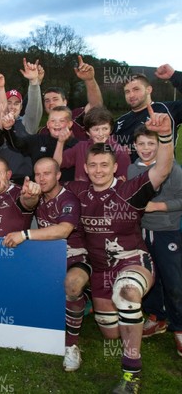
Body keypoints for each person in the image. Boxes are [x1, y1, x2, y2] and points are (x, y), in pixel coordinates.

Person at [65, 105, 174, 392]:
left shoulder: (129, 189)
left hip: (132, 261)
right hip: (100, 272)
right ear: (86, 169)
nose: (98, 170)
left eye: (105, 165)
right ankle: (130, 324)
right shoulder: (78, 191)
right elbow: (47, 185)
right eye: (93, 166)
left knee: (126, 295)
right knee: (111, 333)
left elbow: (162, 170)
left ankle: (130, 375)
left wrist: (165, 137)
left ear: (115, 167)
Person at [3, 157, 89, 372]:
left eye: (47, 174)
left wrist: (25, 234)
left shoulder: (68, 198)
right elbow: (27, 204)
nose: (41, 179)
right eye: (38, 174)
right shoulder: (37, 195)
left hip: (74, 255)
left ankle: (71, 345)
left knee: (72, 284)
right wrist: (28, 198)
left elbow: (63, 230)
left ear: (58, 175)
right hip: (46, 257)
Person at [127, 126, 182, 357]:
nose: (146, 149)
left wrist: (158, 206)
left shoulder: (173, 168)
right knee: (151, 277)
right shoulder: (132, 168)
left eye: (151, 144)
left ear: (160, 146)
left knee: (173, 280)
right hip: (142, 232)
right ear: (134, 146)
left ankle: (179, 328)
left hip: (167, 231)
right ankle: (156, 317)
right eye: (142, 144)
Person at [115, 65, 182, 161]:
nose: (131, 95)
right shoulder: (119, 122)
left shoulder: (167, 109)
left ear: (148, 90)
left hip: (162, 173)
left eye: (136, 89)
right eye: (127, 92)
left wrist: (175, 76)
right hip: (130, 174)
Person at [0, 105, 79, 182]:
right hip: (38, 191)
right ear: (48, 124)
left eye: (62, 121)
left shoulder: (77, 146)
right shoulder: (37, 140)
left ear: (70, 124)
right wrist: (8, 129)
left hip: (66, 191)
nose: (56, 124)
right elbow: (17, 144)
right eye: (53, 121)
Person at [54, 106, 130, 182]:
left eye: (105, 129)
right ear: (87, 132)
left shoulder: (120, 152)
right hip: (80, 192)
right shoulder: (80, 147)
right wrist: (60, 142)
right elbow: (57, 164)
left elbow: (123, 183)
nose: (101, 134)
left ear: (110, 130)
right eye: (96, 129)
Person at [39, 55, 103, 140]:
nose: (51, 103)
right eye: (47, 100)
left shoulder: (77, 116)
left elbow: (96, 106)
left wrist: (90, 80)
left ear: (65, 102)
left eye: (55, 99)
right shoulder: (43, 132)